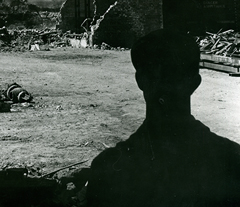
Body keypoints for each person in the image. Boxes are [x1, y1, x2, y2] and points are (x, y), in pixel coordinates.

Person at [87, 29, 240, 207]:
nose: (165, 88)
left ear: (140, 81)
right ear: (195, 83)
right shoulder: (231, 161)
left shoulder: (109, 169)